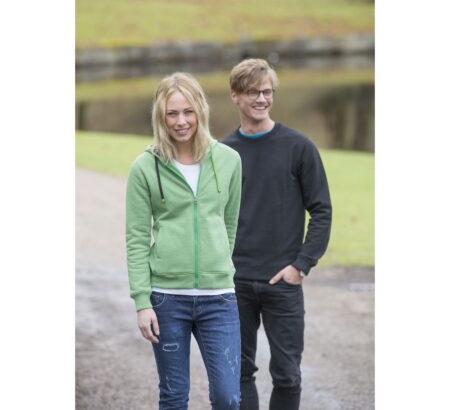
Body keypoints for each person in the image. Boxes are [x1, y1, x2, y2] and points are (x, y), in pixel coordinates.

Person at [126, 72, 242, 409]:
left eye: (188, 111)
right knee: (174, 397)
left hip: (219, 299)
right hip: (167, 300)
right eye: (172, 113)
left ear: (201, 110)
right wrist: (142, 301)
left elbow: (229, 224)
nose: (181, 121)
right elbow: (136, 238)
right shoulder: (144, 168)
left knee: (228, 398)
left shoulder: (229, 161)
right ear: (160, 117)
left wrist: (218, 265)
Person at [222, 59, 332, 410]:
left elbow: (322, 210)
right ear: (235, 95)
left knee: (287, 375)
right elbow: (211, 216)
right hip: (235, 283)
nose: (261, 99)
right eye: (253, 92)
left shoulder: (299, 147)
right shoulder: (223, 153)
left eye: (267, 92)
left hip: (283, 282)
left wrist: (300, 265)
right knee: (238, 374)